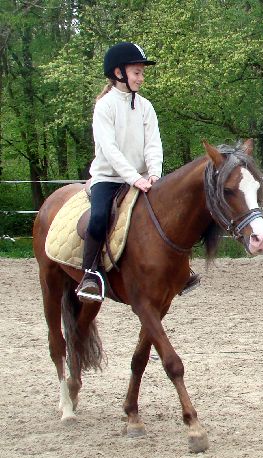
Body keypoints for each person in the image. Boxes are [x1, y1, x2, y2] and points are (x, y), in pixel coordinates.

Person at [76, 42, 199, 302]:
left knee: (172, 215)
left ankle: (180, 269)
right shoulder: (105, 107)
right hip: (109, 178)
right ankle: (90, 274)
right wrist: (134, 178)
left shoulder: (145, 106)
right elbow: (109, 149)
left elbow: (154, 143)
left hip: (143, 179)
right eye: (137, 73)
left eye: (142, 73)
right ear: (119, 73)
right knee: (98, 217)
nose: (141, 78)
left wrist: (154, 172)